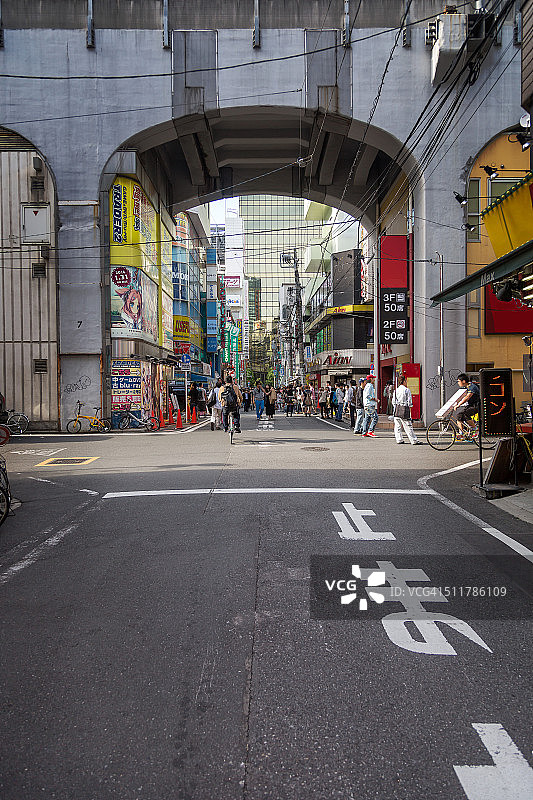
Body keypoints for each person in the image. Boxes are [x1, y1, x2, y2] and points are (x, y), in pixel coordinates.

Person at [392, 375, 419, 445]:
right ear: (404, 381)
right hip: (404, 409)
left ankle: (399, 439)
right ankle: (414, 440)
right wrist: (410, 407)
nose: (406, 382)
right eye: (405, 381)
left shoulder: (396, 390)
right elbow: (409, 402)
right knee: (408, 426)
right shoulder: (407, 390)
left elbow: (393, 401)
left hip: (397, 410)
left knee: (397, 426)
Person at [453, 372, 480, 439]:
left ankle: (475, 429)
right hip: (470, 406)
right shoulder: (466, 387)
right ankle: (461, 433)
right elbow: (461, 397)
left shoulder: (472, 387)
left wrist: (459, 405)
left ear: (464, 381)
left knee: (466, 415)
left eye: (459, 381)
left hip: (476, 406)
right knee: (459, 416)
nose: (458, 383)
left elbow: (467, 397)